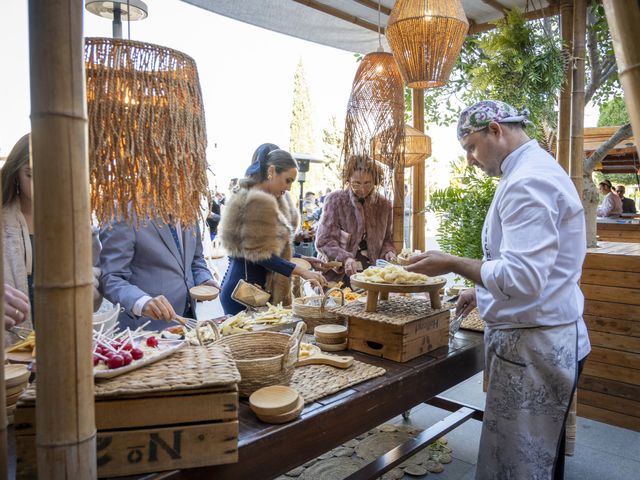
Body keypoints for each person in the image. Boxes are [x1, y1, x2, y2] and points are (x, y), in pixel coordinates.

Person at [406, 100, 590, 479]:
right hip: (538, 337)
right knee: (534, 460)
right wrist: (482, 289)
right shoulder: (526, 171)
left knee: (522, 467)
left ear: (495, 129)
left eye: (471, 147)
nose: (471, 160)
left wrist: (455, 263)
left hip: (535, 346)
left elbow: (523, 278)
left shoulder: (529, 181)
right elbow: (525, 264)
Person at [219, 143, 327, 315]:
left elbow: (271, 249)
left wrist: (302, 258)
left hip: (255, 291)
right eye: (287, 180)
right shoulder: (255, 199)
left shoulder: (265, 198)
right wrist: (301, 270)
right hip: (244, 292)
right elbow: (260, 253)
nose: (289, 187)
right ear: (270, 171)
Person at [100, 214, 217, 331]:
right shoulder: (124, 213)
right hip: (146, 329)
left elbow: (196, 259)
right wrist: (142, 302)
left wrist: (204, 279)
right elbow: (110, 277)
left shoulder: (188, 210)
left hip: (188, 321)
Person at [315, 156, 396, 284]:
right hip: (339, 272)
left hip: (374, 273)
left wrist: (389, 252)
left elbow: (387, 240)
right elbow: (324, 241)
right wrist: (345, 258)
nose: (362, 189)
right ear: (348, 180)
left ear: (375, 181)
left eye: (367, 183)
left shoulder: (384, 205)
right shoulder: (335, 201)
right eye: (356, 183)